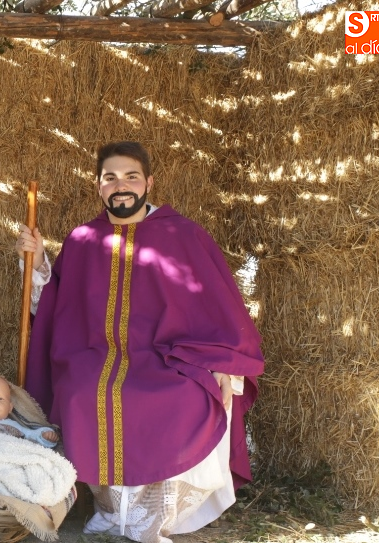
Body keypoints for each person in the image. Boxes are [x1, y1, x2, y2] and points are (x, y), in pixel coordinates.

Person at [14, 141, 265, 543]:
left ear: (149, 182)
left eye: (131, 176)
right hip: (93, 356)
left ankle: (155, 517)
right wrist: (40, 260)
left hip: (168, 357)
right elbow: (55, 306)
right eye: (110, 178)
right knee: (81, 392)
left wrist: (221, 363)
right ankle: (112, 511)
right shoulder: (82, 239)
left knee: (183, 397)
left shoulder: (183, 235)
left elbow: (219, 308)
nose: (121, 185)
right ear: (98, 187)